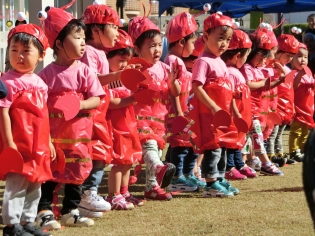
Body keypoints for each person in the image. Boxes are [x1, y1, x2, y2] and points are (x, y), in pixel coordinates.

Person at [35, 4, 104, 229]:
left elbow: (97, 98)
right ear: (58, 43)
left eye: (84, 37)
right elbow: (40, 106)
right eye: (77, 37)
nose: (83, 42)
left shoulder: (85, 71)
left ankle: (70, 210)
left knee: (77, 171)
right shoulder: (45, 75)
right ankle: (44, 210)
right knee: (50, 172)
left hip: (79, 135)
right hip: (53, 137)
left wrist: (79, 104)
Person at [0, 24, 52, 236]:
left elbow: (44, 115)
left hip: (38, 145)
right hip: (18, 143)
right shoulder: (6, 82)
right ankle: (12, 225)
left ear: (40, 55)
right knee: (17, 185)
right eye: (14, 50)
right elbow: (3, 113)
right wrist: (10, 143)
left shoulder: (40, 83)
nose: (19, 56)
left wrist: (48, 142)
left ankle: (27, 220)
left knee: (35, 183)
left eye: (26, 51)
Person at [128, 15, 181, 200]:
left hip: (159, 119)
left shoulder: (165, 68)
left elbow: (176, 92)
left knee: (157, 149)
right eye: (151, 45)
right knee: (149, 146)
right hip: (138, 117)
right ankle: (159, 169)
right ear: (137, 48)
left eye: (159, 44)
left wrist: (173, 82)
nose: (157, 49)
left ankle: (151, 186)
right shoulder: (134, 68)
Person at [78, 3, 122, 217]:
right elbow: (91, 81)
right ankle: (86, 194)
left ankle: (87, 194)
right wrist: (117, 76)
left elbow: (105, 85)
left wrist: (126, 79)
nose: (118, 32)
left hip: (100, 113)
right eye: (114, 26)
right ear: (96, 30)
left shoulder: (101, 53)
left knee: (99, 154)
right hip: (89, 114)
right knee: (93, 154)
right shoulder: (89, 52)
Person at [189, 12, 239, 197]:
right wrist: (213, 107)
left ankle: (219, 178)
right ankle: (210, 184)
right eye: (220, 38)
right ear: (205, 36)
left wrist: (233, 112)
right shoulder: (202, 62)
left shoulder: (221, 62)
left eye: (227, 39)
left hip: (223, 114)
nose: (224, 44)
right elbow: (196, 87)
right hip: (209, 114)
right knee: (213, 147)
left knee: (223, 146)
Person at [104, 29, 144, 209]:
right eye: (121, 61)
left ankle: (125, 191)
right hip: (116, 126)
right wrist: (133, 98)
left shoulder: (124, 78)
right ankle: (113, 195)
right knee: (119, 161)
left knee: (128, 160)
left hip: (129, 124)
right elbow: (110, 103)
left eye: (127, 61)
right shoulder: (108, 80)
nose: (124, 65)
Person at [164, 12, 204, 192]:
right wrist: (179, 112)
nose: (194, 47)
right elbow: (173, 90)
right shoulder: (173, 60)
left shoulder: (179, 60)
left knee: (189, 145)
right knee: (180, 146)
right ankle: (177, 177)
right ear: (181, 42)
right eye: (193, 43)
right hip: (178, 113)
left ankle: (188, 175)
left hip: (187, 112)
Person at [240, 27, 284, 176]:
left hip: (257, 110)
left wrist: (278, 80)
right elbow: (249, 84)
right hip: (249, 109)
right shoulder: (247, 68)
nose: (264, 59)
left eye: (266, 55)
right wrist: (267, 81)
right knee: (256, 136)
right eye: (262, 55)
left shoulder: (259, 69)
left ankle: (244, 161)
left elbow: (266, 86)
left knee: (248, 138)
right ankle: (265, 162)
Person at [220, 29, 257, 180]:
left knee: (238, 140)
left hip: (241, 113)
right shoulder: (230, 72)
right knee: (231, 141)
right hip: (234, 114)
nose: (247, 60)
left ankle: (238, 163)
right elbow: (229, 96)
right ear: (237, 56)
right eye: (247, 56)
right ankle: (229, 166)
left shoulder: (235, 71)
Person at [266, 34, 300, 165]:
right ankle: (270, 154)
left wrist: (291, 107)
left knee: (279, 132)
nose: (290, 59)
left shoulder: (286, 68)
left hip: (285, 106)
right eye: (288, 56)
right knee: (272, 132)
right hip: (275, 105)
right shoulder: (272, 66)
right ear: (278, 52)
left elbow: (290, 89)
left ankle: (279, 151)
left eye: (292, 56)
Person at [289, 43, 315, 161]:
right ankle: (294, 151)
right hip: (297, 107)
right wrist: (299, 75)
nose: (303, 60)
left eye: (305, 57)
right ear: (291, 59)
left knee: (305, 132)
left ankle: (303, 149)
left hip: (307, 108)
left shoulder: (309, 73)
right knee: (296, 131)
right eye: (299, 56)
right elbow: (293, 87)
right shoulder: (292, 73)